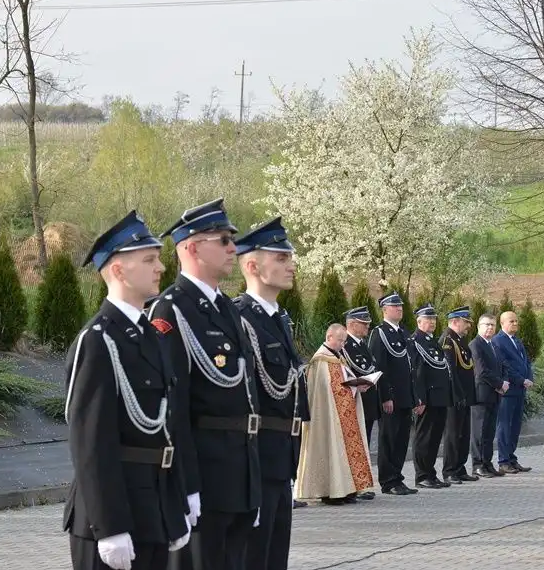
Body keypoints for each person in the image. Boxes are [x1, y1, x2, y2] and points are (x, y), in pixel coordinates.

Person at [63, 210, 191, 570]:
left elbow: (168, 429)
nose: (161, 268)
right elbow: (90, 442)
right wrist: (110, 527)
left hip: (153, 511)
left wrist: (175, 507)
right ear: (118, 270)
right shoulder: (98, 340)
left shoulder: (150, 335)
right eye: (149, 259)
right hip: (113, 516)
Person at [148, 198, 261, 570]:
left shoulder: (226, 307)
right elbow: (173, 407)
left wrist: (253, 479)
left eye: (232, 240)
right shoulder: (171, 310)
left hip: (239, 473)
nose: (233, 248)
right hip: (205, 474)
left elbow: (245, 396)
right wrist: (186, 483)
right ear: (193, 247)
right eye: (223, 240)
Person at [232, 217, 310, 570]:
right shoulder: (240, 319)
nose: (291, 265)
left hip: (281, 460)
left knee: (275, 558)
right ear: (252, 265)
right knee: (254, 558)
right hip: (256, 460)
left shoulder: (279, 319)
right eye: (281, 258)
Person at [295, 323, 375, 505]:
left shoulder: (337, 358)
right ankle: (330, 492)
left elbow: (342, 385)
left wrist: (357, 387)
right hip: (328, 417)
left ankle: (346, 489)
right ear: (329, 337)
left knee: (342, 450)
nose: (342, 344)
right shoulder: (321, 361)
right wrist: (352, 387)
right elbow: (327, 391)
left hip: (342, 413)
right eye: (340, 340)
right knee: (331, 448)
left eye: (344, 341)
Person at [369, 291, 421, 496]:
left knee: (401, 440)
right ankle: (388, 481)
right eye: (394, 306)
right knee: (389, 439)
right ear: (384, 310)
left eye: (400, 306)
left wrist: (415, 395)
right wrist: (386, 396)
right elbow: (379, 367)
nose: (399, 309)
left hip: (405, 396)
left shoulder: (403, 333)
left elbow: (411, 368)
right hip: (392, 397)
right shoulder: (379, 333)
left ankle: (397, 477)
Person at [410, 303, 455, 489]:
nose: (432, 322)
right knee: (424, 437)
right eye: (428, 319)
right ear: (419, 321)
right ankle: (422, 475)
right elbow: (415, 373)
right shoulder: (414, 342)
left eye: (434, 319)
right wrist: (419, 398)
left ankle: (430, 473)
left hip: (439, 398)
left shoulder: (432, 342)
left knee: (435, 437)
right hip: (427, 398)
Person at [439, 306, 479, 484]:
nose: (468, 326)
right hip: (455, 397)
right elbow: (450, 371)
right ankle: (449, 470)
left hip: (465, 396)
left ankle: (460, 467)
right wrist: (456, 395)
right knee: (453, 435)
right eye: (466, 322)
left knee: (463, 434)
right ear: (455, 322)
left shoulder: (460, 340)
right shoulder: (448, 340)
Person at [492, 311, 534, 474]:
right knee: (505, 425)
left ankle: (511, 457)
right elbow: (505, 367)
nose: (515, 324)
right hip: (508, 391)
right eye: (512, 321)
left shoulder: (517, 341)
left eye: (517, 321)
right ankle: (503, 461)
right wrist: (521, 379)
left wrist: (529, 377)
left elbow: (526, 361)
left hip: (520, 390)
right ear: (502, 323)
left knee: (515, 425)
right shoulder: (498, 341)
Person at [468, 314, 508, 478]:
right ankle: (477, 465)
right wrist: (499, 384)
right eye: (486, 324)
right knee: (479, 431)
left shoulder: (493, 345)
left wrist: (504, 382)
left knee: (489, 432)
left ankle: (487, 463)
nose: (490, 328)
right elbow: (481, 371)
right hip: (481, 395)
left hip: (495, 394)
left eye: (492, 325)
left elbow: (503, 366)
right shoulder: (475, 345)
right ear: (479, 326)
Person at [340, 306, 380, 454]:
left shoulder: (362, 344)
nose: (368, 326)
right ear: (351, 324)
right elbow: (361, 370)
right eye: (364, 323)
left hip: (367, 400)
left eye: (368, 323)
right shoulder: (346, 344)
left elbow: (372, 367)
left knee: (365, 443)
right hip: (357, 400)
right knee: (355, 445)